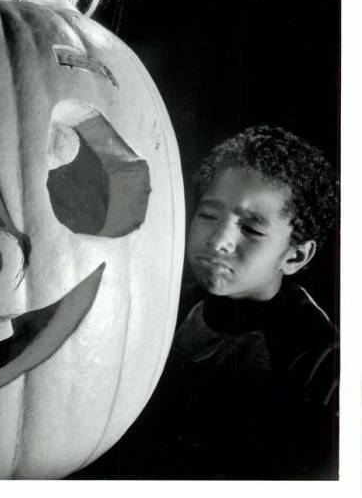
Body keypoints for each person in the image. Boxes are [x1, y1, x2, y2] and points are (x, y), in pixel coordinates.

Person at [72, 124, 339, 480]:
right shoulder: (164, 308)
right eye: (209, 215)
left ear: (295, 256)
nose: (218, 240)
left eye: (252, 230)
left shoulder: (320, 357)